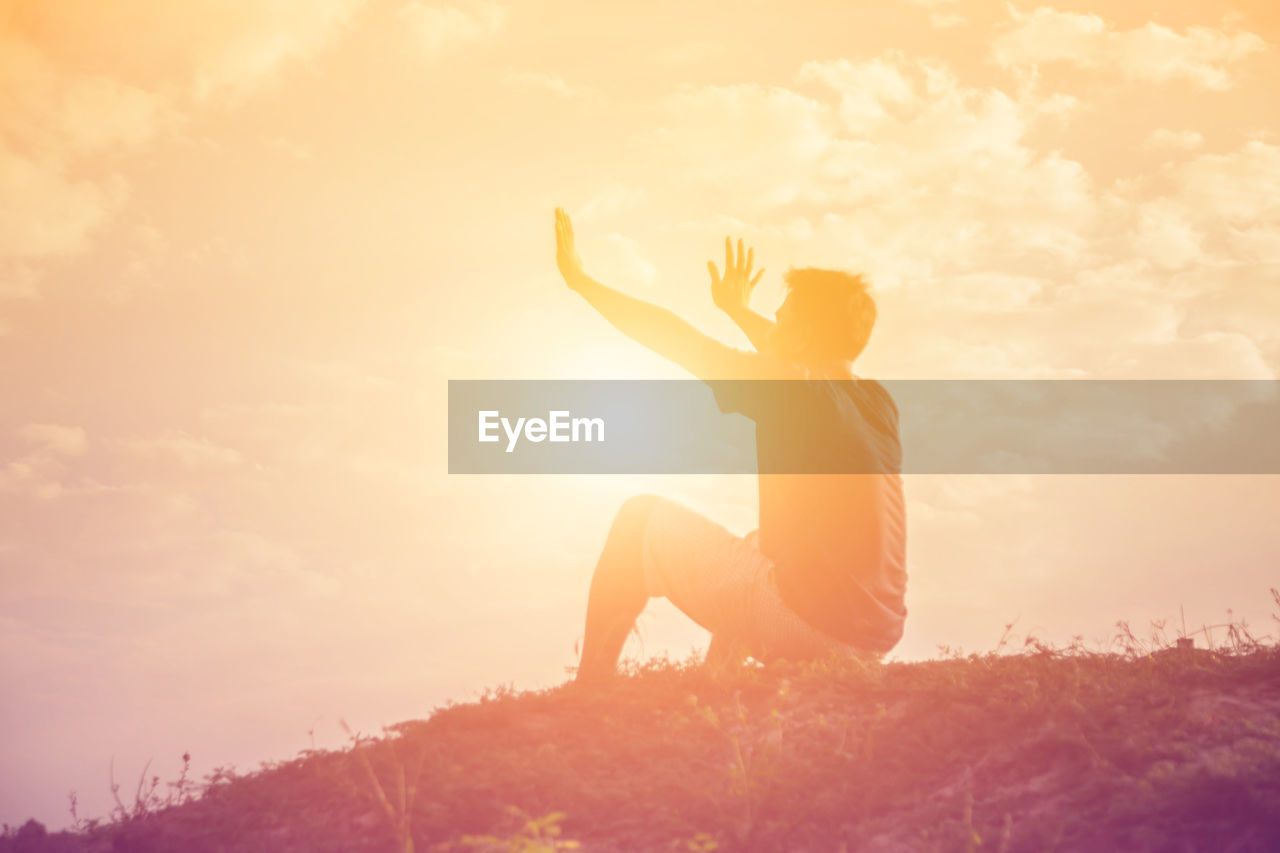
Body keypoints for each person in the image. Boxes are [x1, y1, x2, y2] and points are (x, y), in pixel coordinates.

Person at [554, 208, 906, 683]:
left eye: (780, 317)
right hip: (871, 640)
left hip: (807, 627)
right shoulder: (875, 402)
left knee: (637, 519)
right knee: (761, 545)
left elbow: (676, 336)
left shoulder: (793, 387)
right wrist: (739, 310)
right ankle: (717, 677)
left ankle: (590, 688)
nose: (770, 326)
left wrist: (582, 281)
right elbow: (799, 349)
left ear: (800, 335)